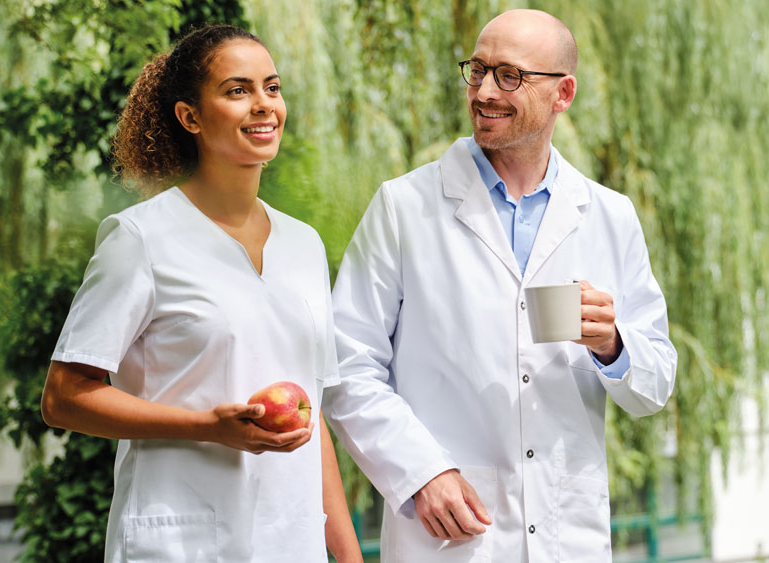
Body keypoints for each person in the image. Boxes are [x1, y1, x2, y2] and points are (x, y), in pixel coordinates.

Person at [323, 9, 677, 562]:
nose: (485, 90)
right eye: (478, 70)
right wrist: (421, 472)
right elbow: (346, 365)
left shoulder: (610, 215)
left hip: (569, 535)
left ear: (563, 93)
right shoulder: (404, 207)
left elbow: (654, 386)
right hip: (450, 534)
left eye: (509, 75)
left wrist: (613, 345)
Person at [40, 24, 362, 563]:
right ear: (190, 116)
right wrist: (206, 428)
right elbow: (63, 396)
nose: (263, 106)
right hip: (179, 543)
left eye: (272, 88)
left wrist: (348, 558)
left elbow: (313, 414)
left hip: (290, 542)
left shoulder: (303, 245)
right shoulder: (141, 238)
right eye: (238, 91)